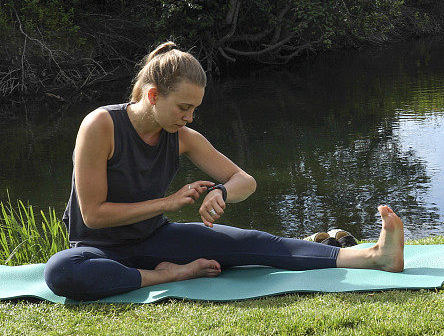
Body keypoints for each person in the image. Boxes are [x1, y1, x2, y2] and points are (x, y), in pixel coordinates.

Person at [44, 42, 404, 301]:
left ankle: (374, 256)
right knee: (61, 271)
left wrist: (221, 192)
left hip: (156, 240)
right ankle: (165, 275)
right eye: (183, 107)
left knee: (255, 243)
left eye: (194, 108)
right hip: (99, 250)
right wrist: (167, 204)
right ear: (153, 96)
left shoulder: (181, 135)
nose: (189, 117)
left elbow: (245, 180)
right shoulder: (101, 126)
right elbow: (92, 216)